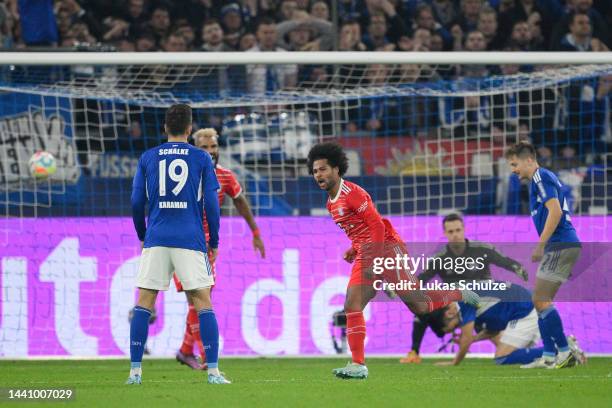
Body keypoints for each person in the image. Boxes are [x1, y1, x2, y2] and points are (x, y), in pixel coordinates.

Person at [307, 142, 479, 379]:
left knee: (418, 305)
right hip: (368, 252)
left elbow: (377, 224)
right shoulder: (330, 203)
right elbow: (360, 231)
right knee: (352, 305)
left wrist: (374, 257)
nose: (319, 175)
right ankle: (358, 365)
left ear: (337, 169)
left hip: (387, 248)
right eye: (315, 171)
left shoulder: (353, 194)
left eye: (323, 169)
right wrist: (354, 249)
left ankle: (458, 293)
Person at [128, 104, 230, 385]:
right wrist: (215, 240)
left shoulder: (148, 157)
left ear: (164, 128)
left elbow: (137, 202)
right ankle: (213, 372)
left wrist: (142, 234)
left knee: (144, 303)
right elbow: (212, 203)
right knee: (203, 302)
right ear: (189, 129)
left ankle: (135, 372)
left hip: (157, 237)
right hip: (190, 239)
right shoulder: (201, 158)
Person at [175, 128, 265, 370]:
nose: (210, 152)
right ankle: (206, 357)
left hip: (207, 249)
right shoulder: (179, 176)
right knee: (199, 300)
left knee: (199, 300)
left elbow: (240, 201)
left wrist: (255, 233)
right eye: (204, 148)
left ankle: (185, 351)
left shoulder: (224, 176)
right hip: (181, 244)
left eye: (213, 147)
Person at [401, 213, 528, 364]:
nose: (455, 235)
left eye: (458, 230)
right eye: (451, 231)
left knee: (503, 352)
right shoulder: (439, 257)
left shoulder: (482, 249)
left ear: (464, 229)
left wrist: (518, 268)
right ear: (445, 233)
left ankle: (519, 351)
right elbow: (423, 278)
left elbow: (504, 261)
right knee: (420, 308)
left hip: (483, 304)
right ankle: (414, 352)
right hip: (455, 307)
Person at [505, 140, 583, 369]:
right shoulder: (538, 182)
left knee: (541, 300)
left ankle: (565, 352)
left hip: (560, 244)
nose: (513, 170)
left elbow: (556, 212)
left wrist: (540, 245)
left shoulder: (541, 177)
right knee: (539, 301)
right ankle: (550, 355)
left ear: (528, 159)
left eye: (514, 164)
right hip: (561, 245)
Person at [435, 282, 585, 366]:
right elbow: (493, 331)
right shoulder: (471, 300)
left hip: (526, 311)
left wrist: (454, 362)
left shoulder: (463, 300)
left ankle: (563, 350)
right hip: (526, 309)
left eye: (454, 327)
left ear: (449, 313)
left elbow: (466, 339)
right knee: (511, 355)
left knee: (502, 357)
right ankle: (560, 350)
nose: (458, 328)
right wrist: (473, 339)